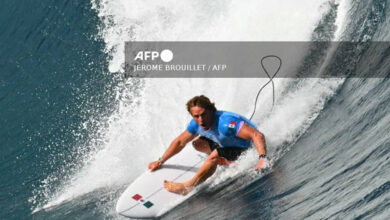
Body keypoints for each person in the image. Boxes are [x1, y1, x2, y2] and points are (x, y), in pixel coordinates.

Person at [148, 95, 269, 195]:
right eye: (196, 116)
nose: (201, 120)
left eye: (204, 114)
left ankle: (187, 187)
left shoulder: (226, 124)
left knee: (214, 155)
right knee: (197, 143)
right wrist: (161, 160)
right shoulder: (196, 124)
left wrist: (262, 158)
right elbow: (180, 142)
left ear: (211, 111)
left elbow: (257, 135)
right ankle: (224, 160)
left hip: (247, 148)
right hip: (227, 145)